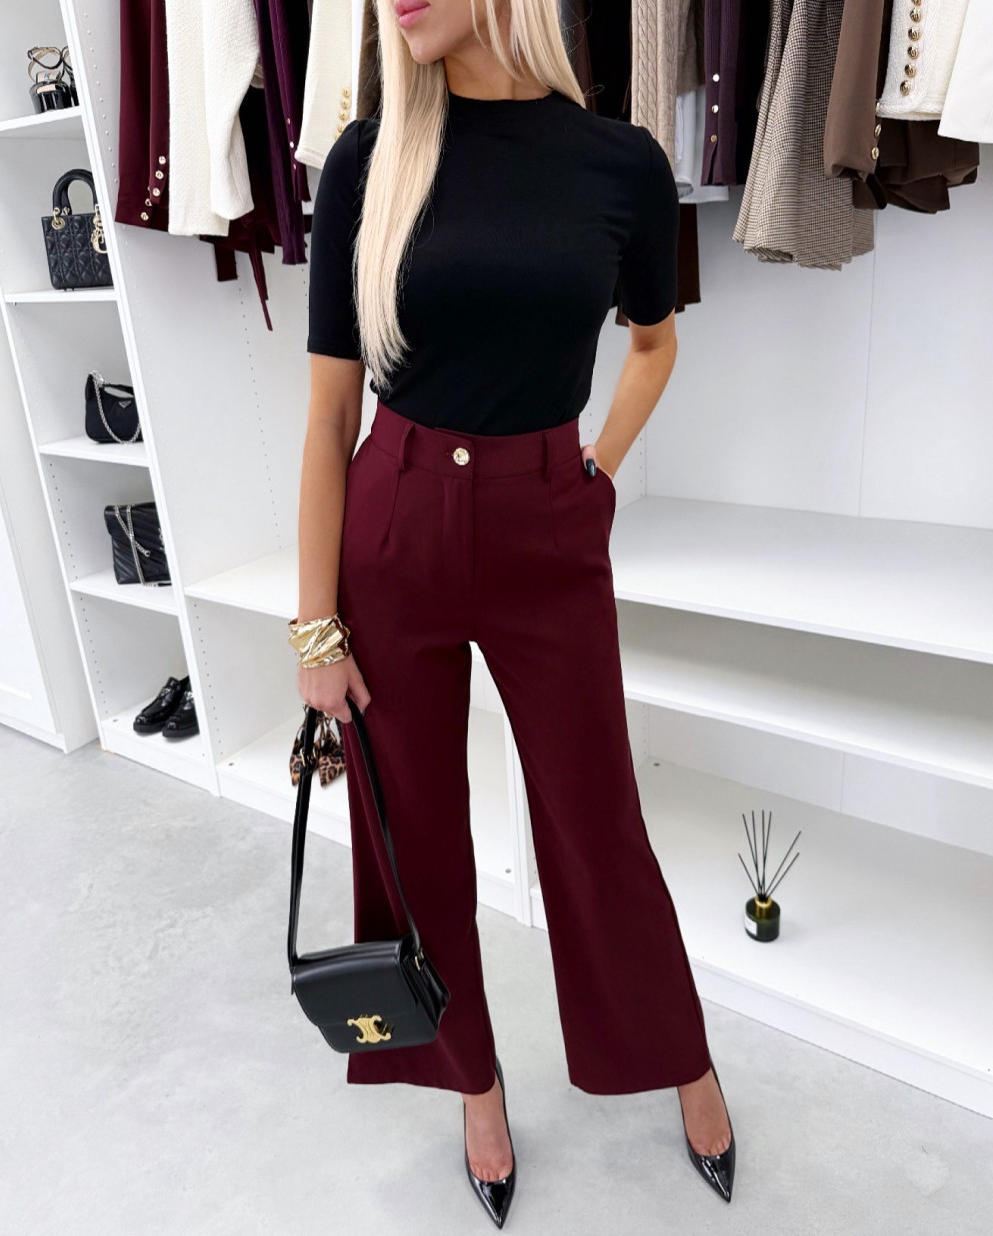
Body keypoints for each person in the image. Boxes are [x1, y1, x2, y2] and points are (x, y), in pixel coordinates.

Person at [291, 0, 736, 1226]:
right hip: (395, 525)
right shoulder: (369, 159)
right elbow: (328, 418)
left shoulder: (618, 164)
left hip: (547, 527)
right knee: (416, 837)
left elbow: (653, 345)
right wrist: (314, 628)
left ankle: (681, 1059)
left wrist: (593, 475)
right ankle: (473, 1090)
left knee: (597, 822)